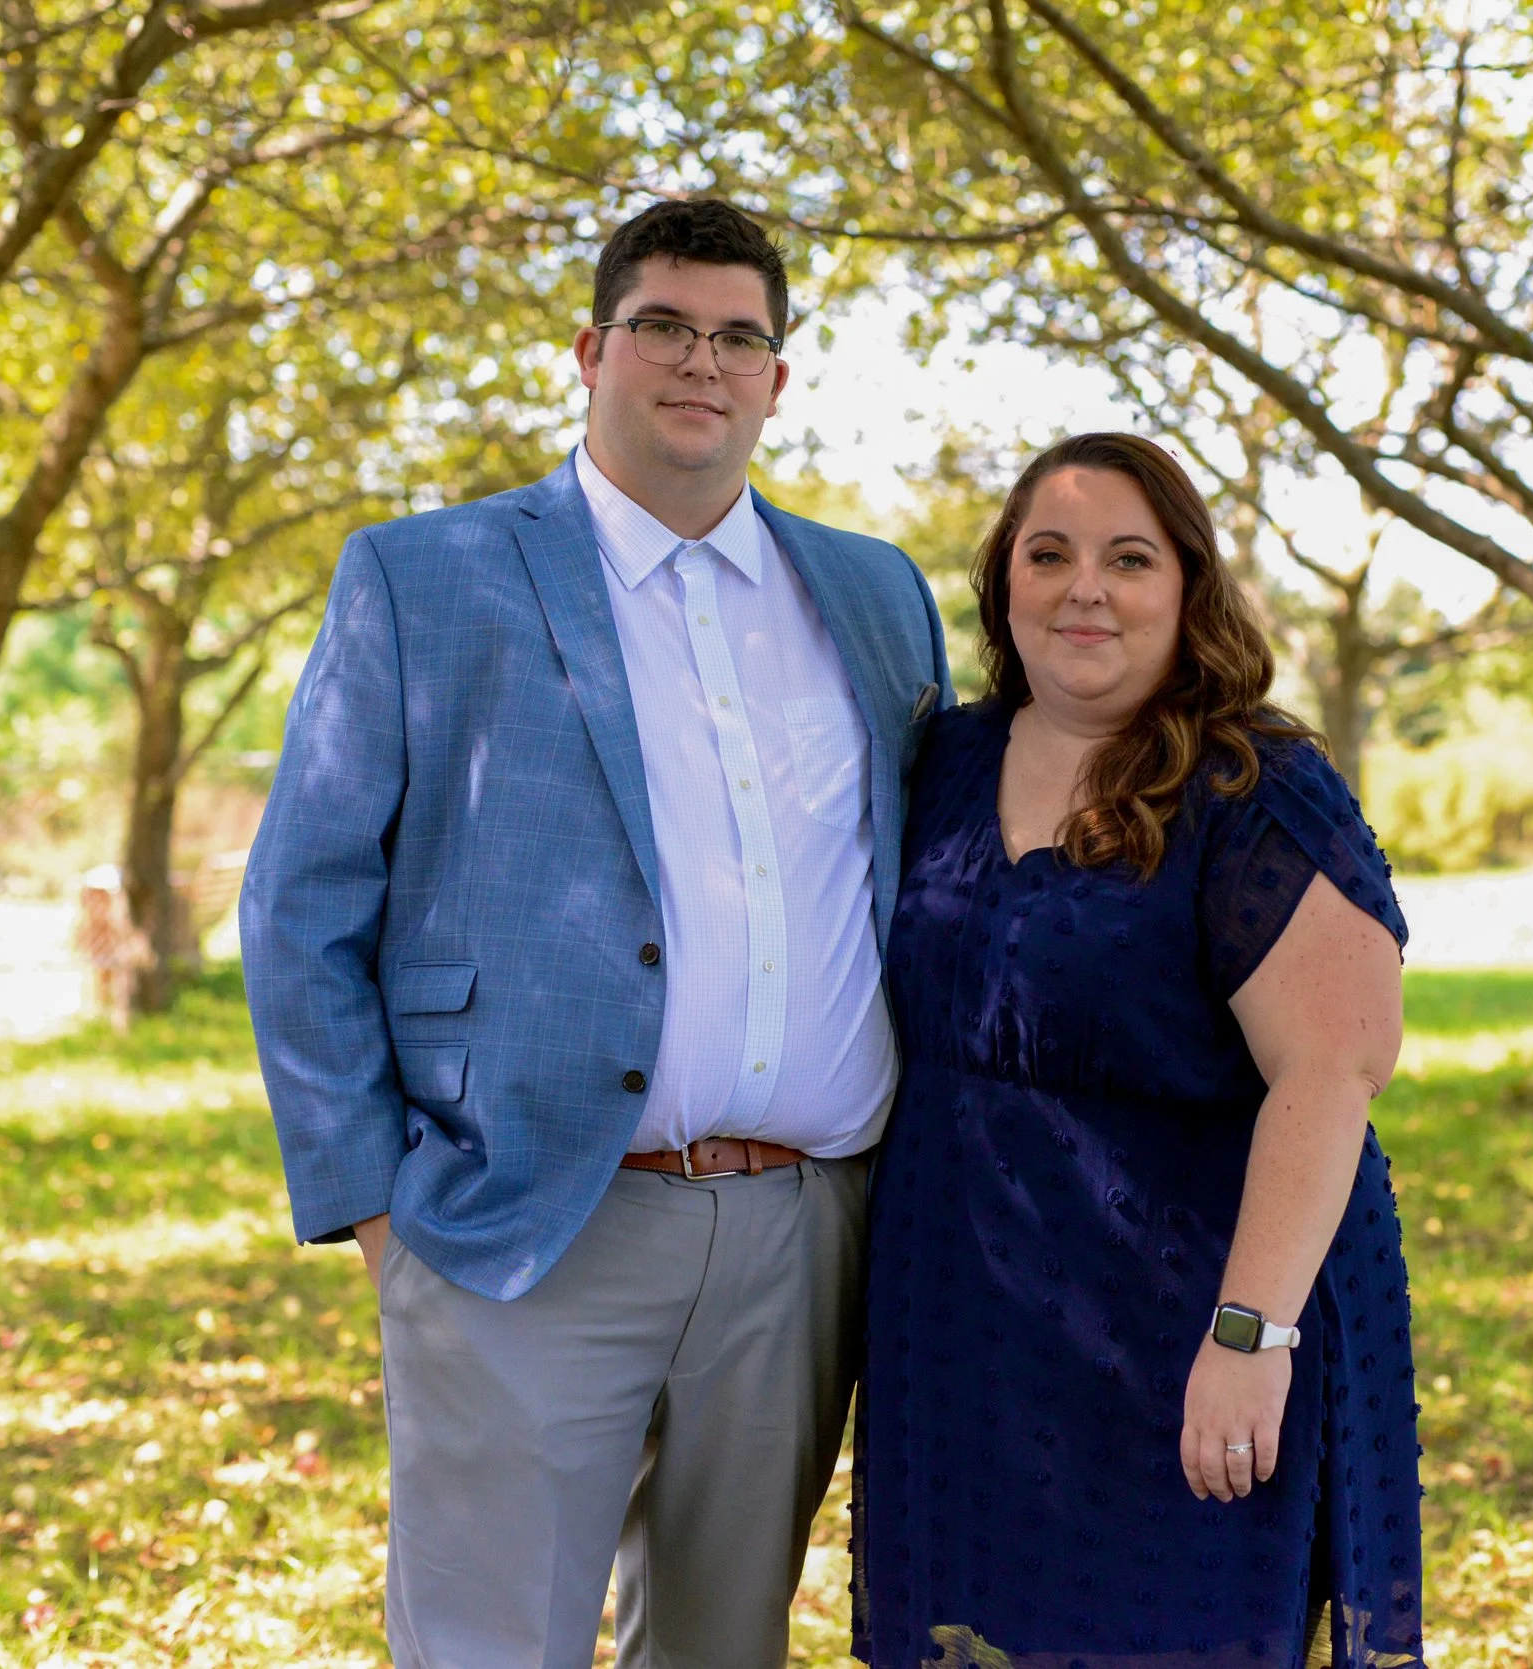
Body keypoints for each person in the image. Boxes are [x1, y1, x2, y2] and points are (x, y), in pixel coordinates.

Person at [239, 198, 950, 1669]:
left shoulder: (876, 593)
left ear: (778, 377)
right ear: (590, 350)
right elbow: (301, 903)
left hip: (804, 1234)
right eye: (663, 326)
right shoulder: (424, 576)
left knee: (722, 1646)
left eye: (739, 337)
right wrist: (379, 1214)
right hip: (523, 1218)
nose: (702, 361)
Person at [855, 433, 1422, 1668]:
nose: (1085, 590)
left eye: (1128, 559)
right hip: (964, 1320)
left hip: (1187, 1318)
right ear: (1003, 583)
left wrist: (1248, 1335)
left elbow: (1333, 1068)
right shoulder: (943, 761)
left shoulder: (1251, 787)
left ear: (1187, 588)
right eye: (1047, 555)